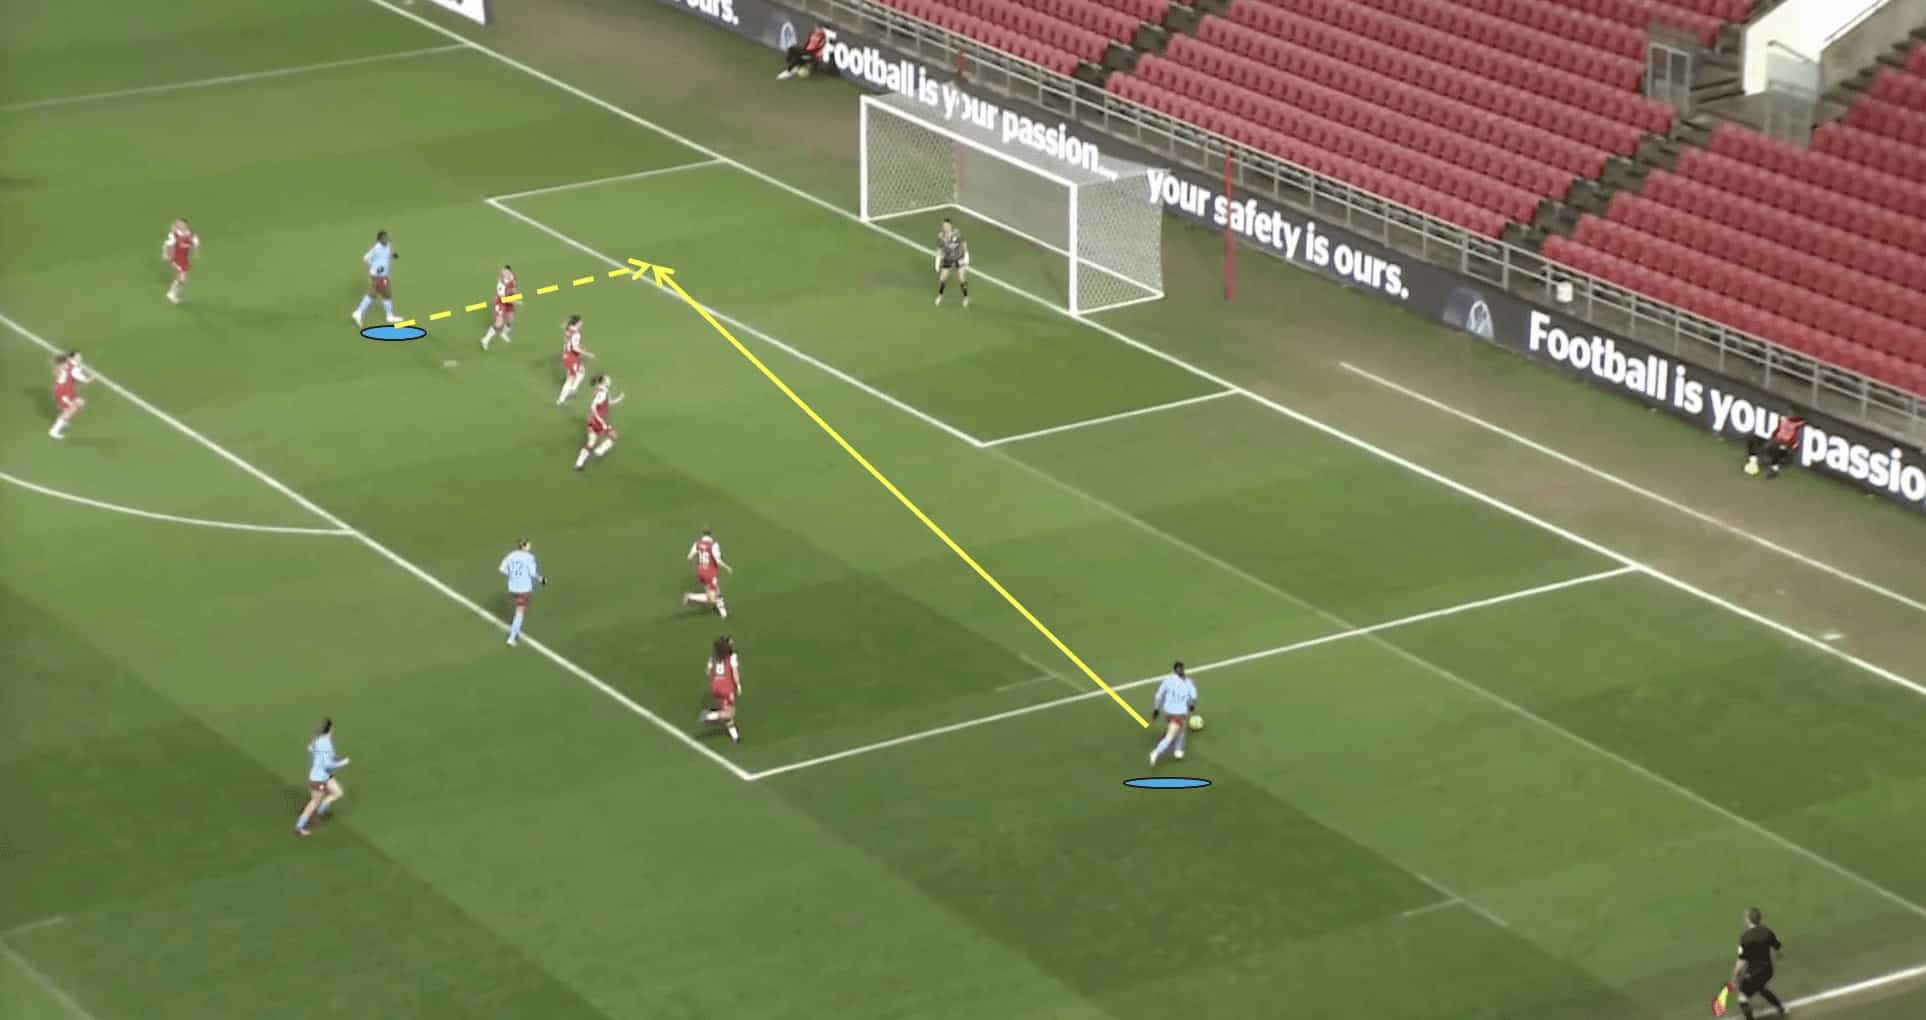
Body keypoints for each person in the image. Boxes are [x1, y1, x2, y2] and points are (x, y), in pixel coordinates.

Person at [294, 719, 350, 838]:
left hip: (325, 776)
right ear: (330, 729)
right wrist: (342, 763)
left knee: (338, 792)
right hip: (318, 778)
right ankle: (299, 827)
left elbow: (310, 748)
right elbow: (327, 764)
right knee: (314, 802)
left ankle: (320, 810)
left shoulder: (318, 740)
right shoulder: (326, 745)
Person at [1728, 907, 1787, 1018]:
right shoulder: (1767, 931)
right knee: (1761, 988)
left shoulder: (1745, 937)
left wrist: (1735, 975)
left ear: (1748, 920)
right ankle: (1781, 1009)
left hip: (1754, 973)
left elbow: (1741, 960)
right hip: (1768, 971)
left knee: (1742, 997)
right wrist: (1779, 957)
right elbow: (1777, 946)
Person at [1147, 661, 1197, 766]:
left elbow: (1158, 695)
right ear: (1183, 670)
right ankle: (1155, 753)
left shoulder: (1167, 680)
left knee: (1181, 729)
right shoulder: (1188, 682)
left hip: (1168, 712)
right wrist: (1191, 705)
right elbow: (1193, 697)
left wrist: (1156, 709)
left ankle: (1178, 751)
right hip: (1179, 713)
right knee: (1170, 736)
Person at [499, 538, 545, 646]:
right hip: (524, 589)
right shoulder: (529, 557)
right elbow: (533, 573)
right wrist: (541, 580)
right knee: (519, 612)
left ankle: (515, 631)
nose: (530, 546)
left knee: (518, 610)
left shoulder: (511, 555)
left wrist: (511, 575)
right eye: (528, 545)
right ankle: (512, 638)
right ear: (524, 546)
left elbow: (501, 569)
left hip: (512, 588)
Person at [574, 375, 623, 470]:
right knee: (613, 437)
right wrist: (601, 421)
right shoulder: (602, 393)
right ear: (604, 381)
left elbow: (608, 403)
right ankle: (599, 451)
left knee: (591, 443)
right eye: (608, 379)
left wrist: (619, 399)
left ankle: (579, 462)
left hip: (595, 420)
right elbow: (593, 407)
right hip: (599, 420)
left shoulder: (603, 390)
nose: (610, 380)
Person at [699, 636, 742, 743]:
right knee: (730, 713)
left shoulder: (713, 657)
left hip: (715, 687)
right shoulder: (732, 657)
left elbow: (708, 673)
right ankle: (710, 715)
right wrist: (738, 685)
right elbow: (735, 672)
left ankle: (735, 737)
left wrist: (716, 679)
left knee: (726, 711)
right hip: (726, 688)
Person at [351, 230, 399, 327]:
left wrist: (392, 256)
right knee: (373, 294)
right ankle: (358, 313)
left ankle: (389, 316)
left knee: (385, 294)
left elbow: (385, 256)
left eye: (386, 237)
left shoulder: (388, 246)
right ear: (379, 239)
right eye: (384, 238)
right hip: (377, 275)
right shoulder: (376, 248)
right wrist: (375, 267)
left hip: (384, 275)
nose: (386, 239)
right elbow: (366, 258)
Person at [683, 528, 733, 618]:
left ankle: (723, 612)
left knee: (716, 590)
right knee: (712, 598)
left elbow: (689, 557)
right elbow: (717, 560)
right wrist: (727, 567)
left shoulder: (697, 543)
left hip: (700, 572)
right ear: (711, 535)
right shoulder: (714, 545)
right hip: (710, 573)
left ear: (702, 534)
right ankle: (690, 597)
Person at [48, 351, 94, 440]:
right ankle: (54, 430)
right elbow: (85, 380)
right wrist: (91, 378)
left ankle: (63, 419)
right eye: (77, 357)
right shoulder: (74, 368)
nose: (80, 358)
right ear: (71, 358)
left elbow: (57, 372)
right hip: (63, 392)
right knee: (72, 408)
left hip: (65, 390)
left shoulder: (65, 365)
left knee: (80, 403)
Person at [1745, 414, 1806, 478]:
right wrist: (1772, 439)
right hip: (1775, 443)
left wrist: (1791, 448)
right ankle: (1753, 462)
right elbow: (1775, 432)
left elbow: (1804, 421)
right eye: (1788, 414)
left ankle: (1774, 470)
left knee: (1777, 448)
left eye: (1791, 415)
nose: (1789, 415)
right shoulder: (1782, 420)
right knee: (1752, 438)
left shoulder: (1797, 424)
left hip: (1786, 448)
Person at [555, 315, 594, 405]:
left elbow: (563, 327)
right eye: (580, 322)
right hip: (571, 357)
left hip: (568, 355)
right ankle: (561, 399)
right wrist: (587, 354)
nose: (582, 323)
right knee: (570, 378)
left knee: (581, 372)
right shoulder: (576, 334)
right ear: (576, 323)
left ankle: (572, 390)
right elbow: (575, 348)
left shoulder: (568, 328)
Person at [934, 218, 970, 307]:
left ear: (950, 226)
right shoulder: (941, 237)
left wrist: (966, 257)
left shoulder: (956, 234)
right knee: (942, 279)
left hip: (958, 258)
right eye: (943, 226)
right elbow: (939, 250)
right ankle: (940, 296)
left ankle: (965, 297)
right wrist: (937, 262)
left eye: (946, 225)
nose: (945, 227)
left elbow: (964, 244)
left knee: (961, 278)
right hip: (948, 259)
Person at [481, 265, 519, 350]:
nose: (504, 273)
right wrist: (516, 302)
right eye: (503, 272)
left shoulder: (513, 278)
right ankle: (485, 339)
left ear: (510, 272)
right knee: (499, 323)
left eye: (506, 272)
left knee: (510, 319)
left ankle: (503, 334)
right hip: (501, 302)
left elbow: (514, 288)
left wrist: (514, 295)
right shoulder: (501, 283)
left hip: (509, 300)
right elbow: (503, 299)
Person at [162, 218, 199, 305]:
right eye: (178, 224)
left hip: (184, 260)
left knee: (181, 279)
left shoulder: (191, 234)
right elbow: (166, 245)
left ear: (186, 225)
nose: (179, 225)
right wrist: (165, 254)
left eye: (181, 224)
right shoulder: (174, 235)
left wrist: (195, 250)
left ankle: (172, 293)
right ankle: (171, 294)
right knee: (182, 279)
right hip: (176, 259)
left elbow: (196, 243)